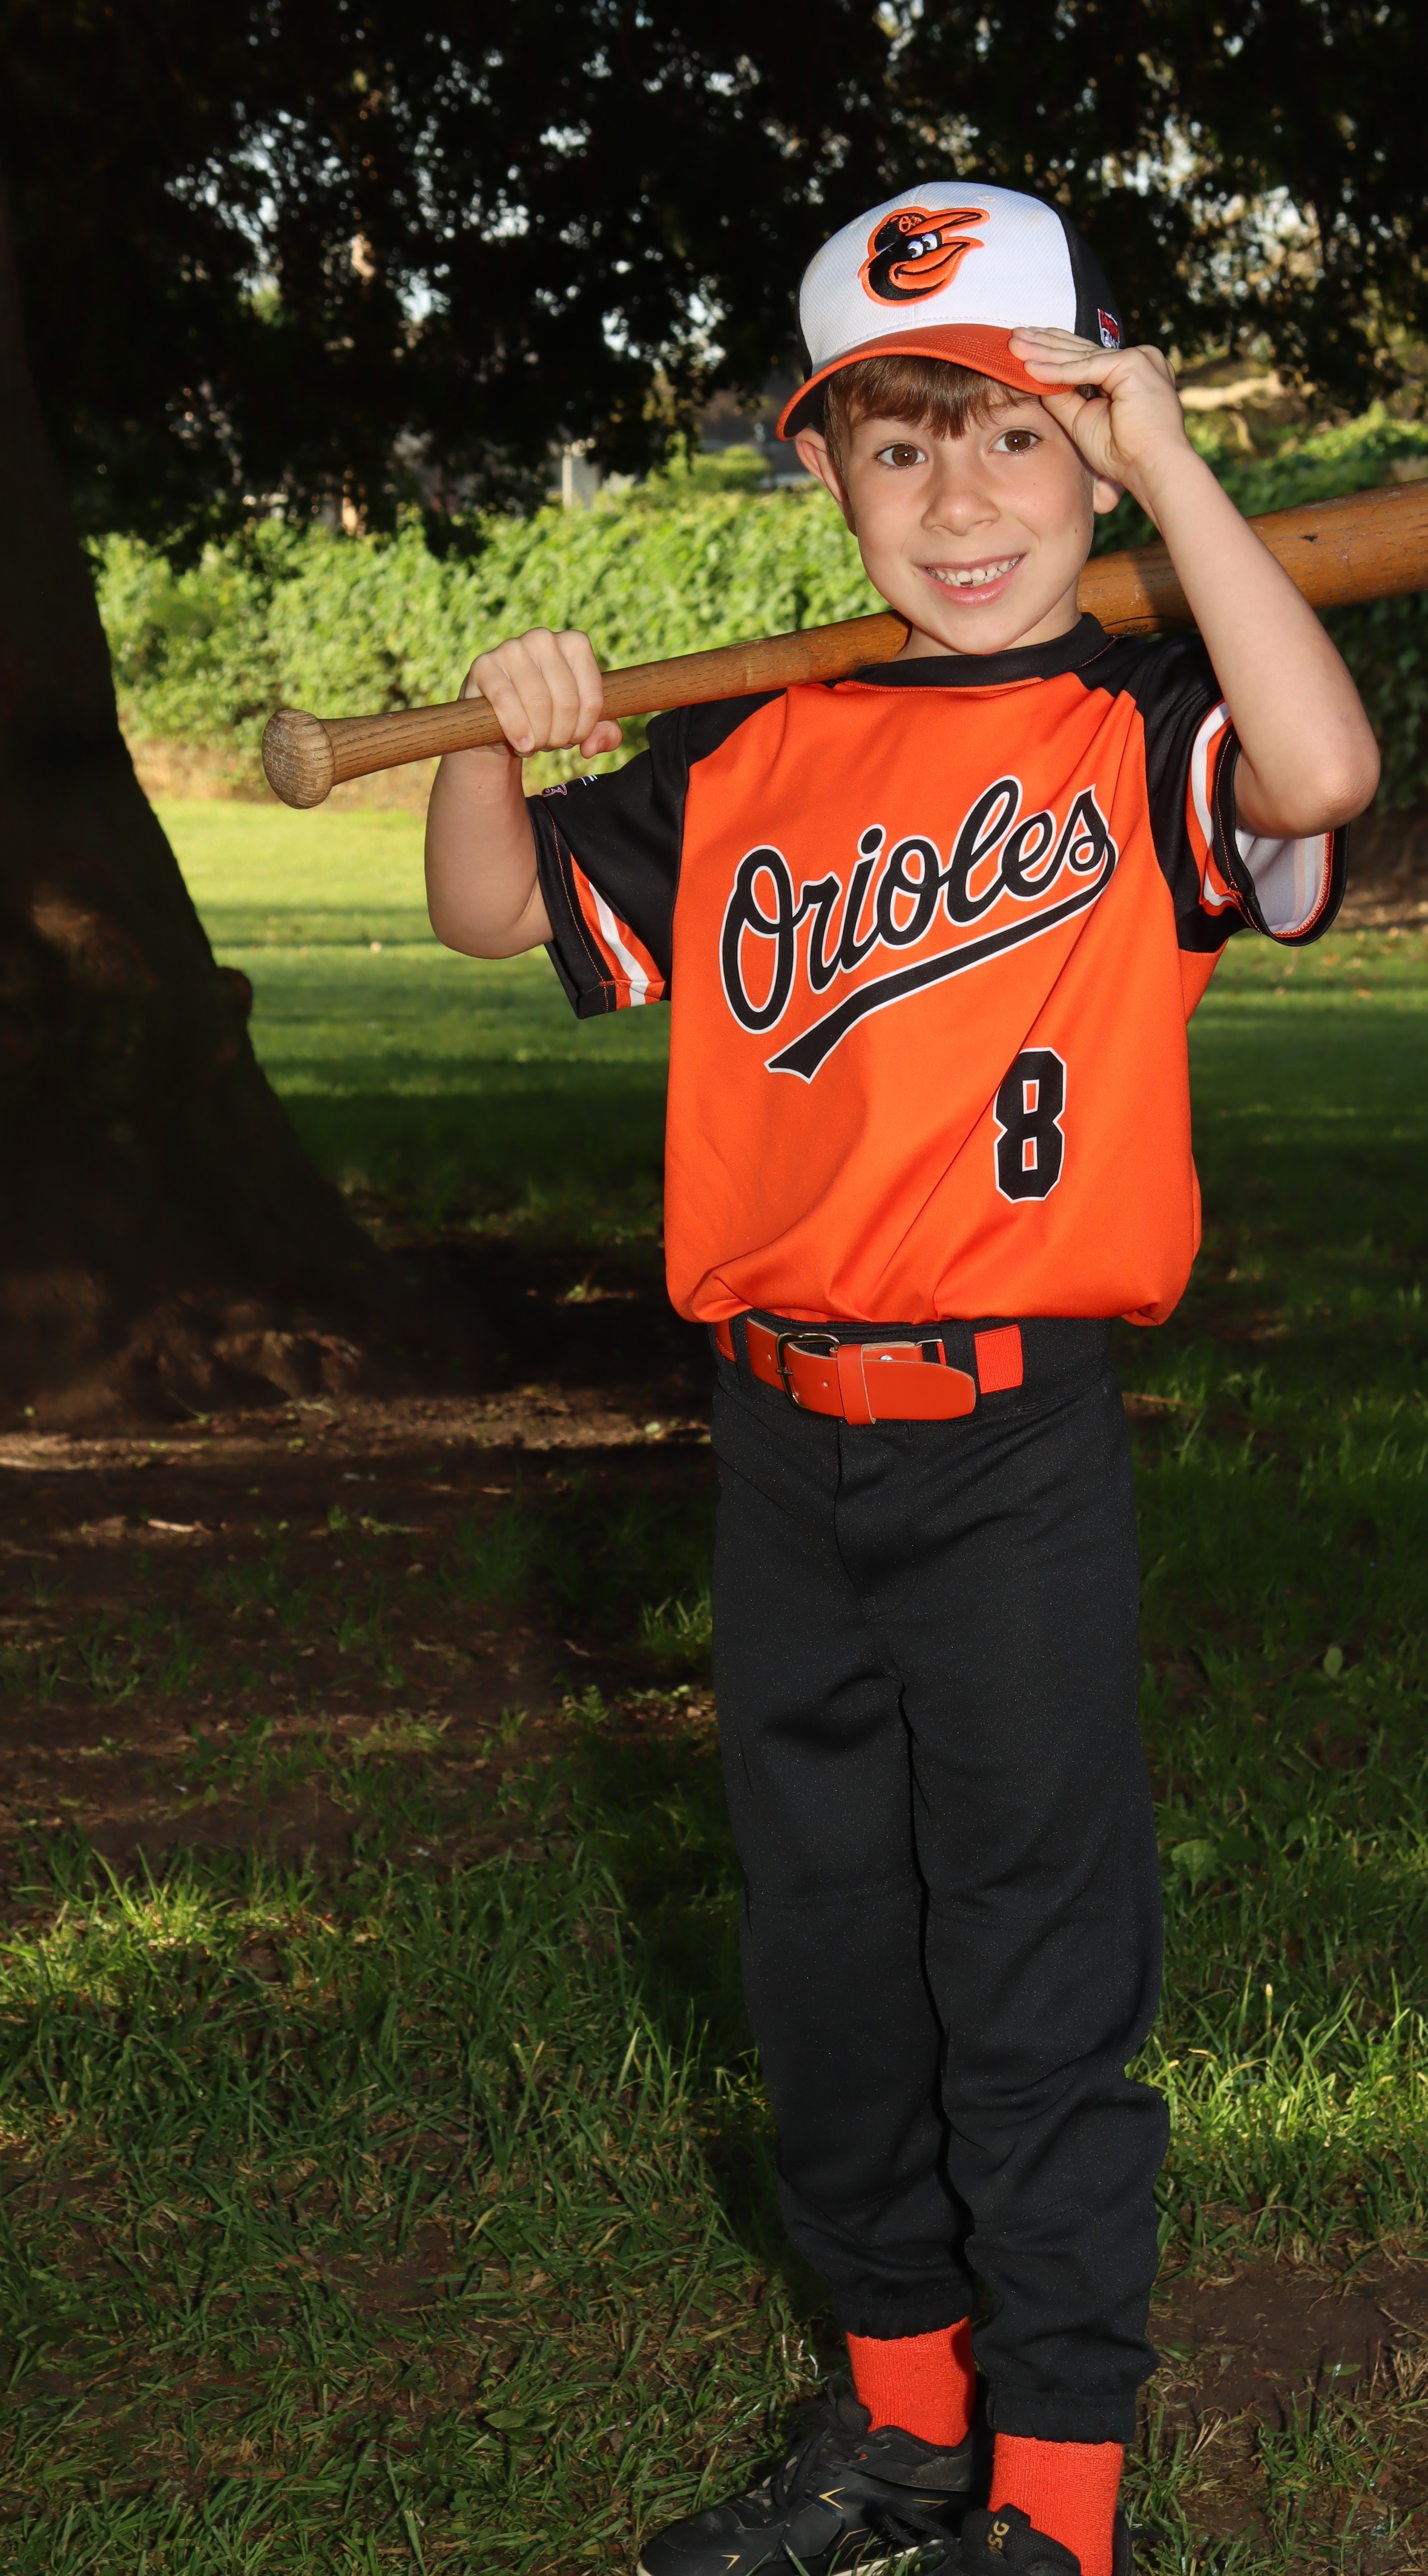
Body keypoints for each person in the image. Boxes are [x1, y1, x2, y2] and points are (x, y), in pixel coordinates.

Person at [424, 183, 1380, 2576]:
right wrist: (486, 739)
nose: (959, 499)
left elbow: (1318, 772)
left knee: (1030, 1968)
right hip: (777, 1448)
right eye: (897, 447)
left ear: (1094, 447)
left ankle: (1052, 2499)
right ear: (827, 476)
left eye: (1016, 437)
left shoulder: (1140, 726)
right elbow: (489, 907)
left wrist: (1179, 473)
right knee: (828, 1957)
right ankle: (899, 2423)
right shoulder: (758, 751)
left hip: (1012, 1447)